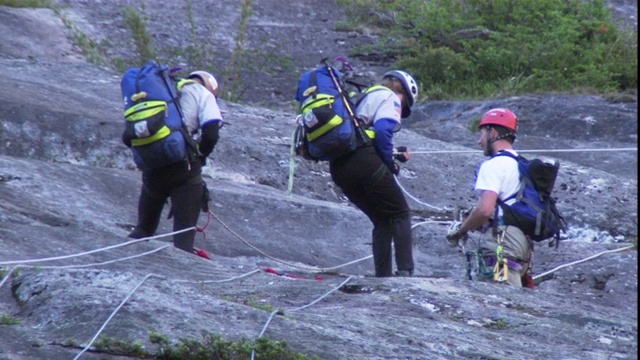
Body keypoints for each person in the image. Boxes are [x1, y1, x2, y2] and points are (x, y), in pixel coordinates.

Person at [330, 70, 419, 277]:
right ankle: (405, 271)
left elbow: (364, 135)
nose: (401, 108)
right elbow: (383, 131)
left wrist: (394, 154)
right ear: (402, 92)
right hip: (364, 163)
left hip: (340, 168)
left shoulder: (364, 97)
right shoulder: (391, 97)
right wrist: (390, 164)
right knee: (400, 213)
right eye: (405, 104)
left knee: (382, 219)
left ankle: (383, 275)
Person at [125, 70, 223, 257]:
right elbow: (211, 134)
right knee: (183, 243)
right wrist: (199, 157)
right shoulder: (203, 94)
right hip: (183, 170)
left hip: (152, 169)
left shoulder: (163, 91)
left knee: (142, 231)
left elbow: (127, 137)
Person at [446, 108, 533, 288]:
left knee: (503, 304)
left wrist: (462, 229)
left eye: (482, 134)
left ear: (492, 132)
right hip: (522, 244)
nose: (479, 141)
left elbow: (485, 209)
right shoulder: (521, 164)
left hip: (502, 245)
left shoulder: (493, 165)